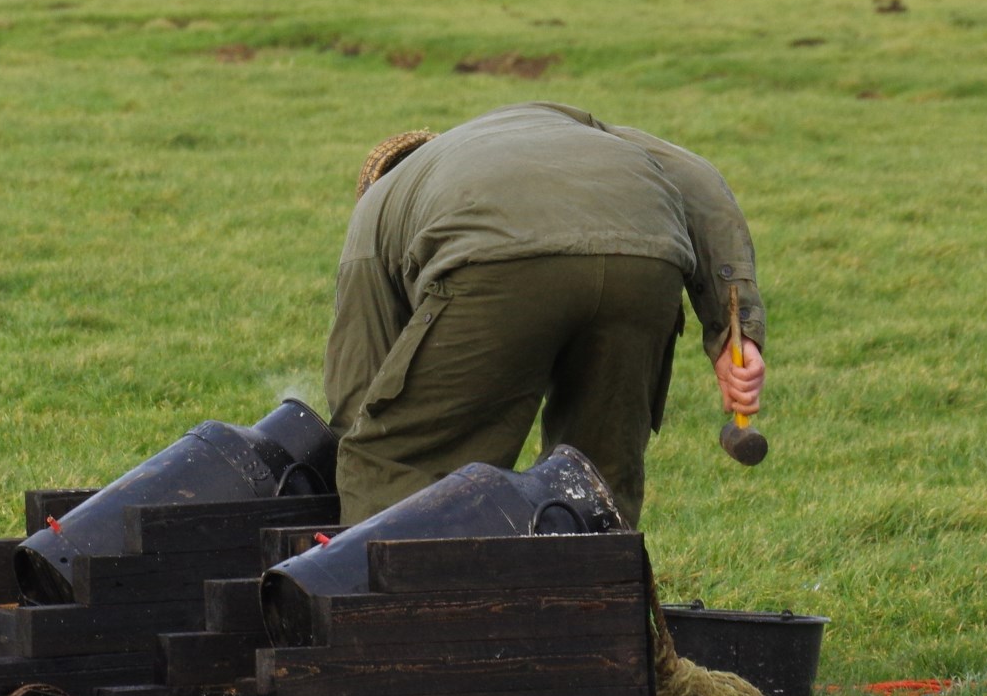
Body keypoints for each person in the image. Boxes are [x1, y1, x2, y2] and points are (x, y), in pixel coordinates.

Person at [324, 101, 765, 528]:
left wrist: (352, 460)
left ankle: (398, 603)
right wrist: (734, 332)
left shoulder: (376, 208)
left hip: (497, 258)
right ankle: (589, 598)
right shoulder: (539, 127)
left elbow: (359, 379)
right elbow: (697, 179)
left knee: (396, 464)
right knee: (592, 480)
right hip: (646, 255)